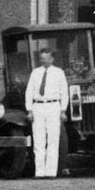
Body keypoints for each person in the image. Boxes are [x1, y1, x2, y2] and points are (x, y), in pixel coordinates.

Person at [24, 48, 68, 179]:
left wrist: (63, 111)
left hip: (53, 106)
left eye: (46, 58)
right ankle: (39, 172)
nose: (44, 60)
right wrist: (29, 110)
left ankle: (51, 172)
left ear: (52, 59)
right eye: (42, 58)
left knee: (53, 140)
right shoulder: (35, 73)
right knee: (38, 140)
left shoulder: (59, 73)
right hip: (38, 107)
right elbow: (29, 91)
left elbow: (64, 92)